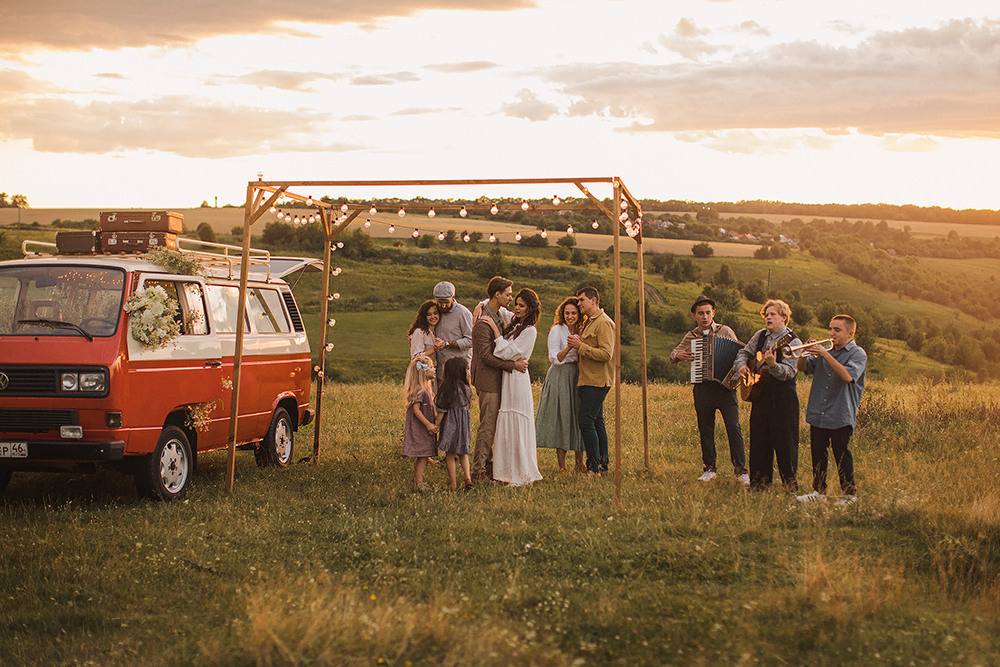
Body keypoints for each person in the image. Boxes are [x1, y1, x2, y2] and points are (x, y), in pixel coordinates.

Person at [670, 295, 748, 485]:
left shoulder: (725, 331)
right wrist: (679, 355)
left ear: (713, 313)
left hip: (725, 387)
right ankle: (709, 468)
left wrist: (736, 373)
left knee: (733, 426)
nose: (705, 317)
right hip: (702, 387)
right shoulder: (691, 336)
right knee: (706, 428)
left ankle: (741, 471)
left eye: (708, 313)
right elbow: (673, 355)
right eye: (700, 313)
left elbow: (740, 352)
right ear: (694, 316)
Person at [795, 315, 867, 507]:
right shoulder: (823, 352)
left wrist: (825, 355)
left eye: (837, 330)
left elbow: (847, 376)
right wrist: (804, 353)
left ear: (850, 333)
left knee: (841, 455)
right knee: (818, 454)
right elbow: (803, 368)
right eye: (831, 329)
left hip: (840, 413)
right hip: (818, 411)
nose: (831, 333)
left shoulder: (858, 354)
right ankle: (818, 491)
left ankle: (850, 495)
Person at [734, 299, 802, 492]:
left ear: (784, 318)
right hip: (761, 396)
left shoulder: (792, 341)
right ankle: (759, 485)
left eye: (773, 314)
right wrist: (742, 366)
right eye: (767, 315)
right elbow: (743, 352)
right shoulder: (761, 335)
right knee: (759, 440)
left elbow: (790, 372)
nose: (768, 318)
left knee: (785, 443)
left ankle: (789, 485)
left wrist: (773, 366)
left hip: (783, 397)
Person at [482, 288, 542, 486]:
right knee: (506, 420)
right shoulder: (516, 324)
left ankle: (521, 471)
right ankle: (506, 471)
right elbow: (489, 302)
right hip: (508, 378)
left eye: (522, 306)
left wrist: (496, 332)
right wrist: (479, 310)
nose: (516, 308)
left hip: (517, 380)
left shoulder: (530, 331)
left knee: (515, 421)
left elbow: (509, 352)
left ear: (530, 308)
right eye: (516, 304)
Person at [470, 276, 527, 482]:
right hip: (487, 380)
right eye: (508, 294)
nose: (510, 298)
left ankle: (488, 465)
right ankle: (478, 471)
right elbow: (485, 357)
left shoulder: (494, 314)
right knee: (487, 426)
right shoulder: (483, 322)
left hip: (494, 379)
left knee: (492, 424)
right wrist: (513, 365)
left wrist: (480, 303)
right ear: (497, 294)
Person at [568, 286, 615, 478]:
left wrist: (581, 346)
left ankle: (593, 467)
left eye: (581, 300)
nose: (578, 303)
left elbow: (606, 354)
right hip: (588, 379)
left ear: (593, 300)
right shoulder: (590, 322)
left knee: (586, 421)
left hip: (597, 381)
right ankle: (603, 466)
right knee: (597, 422)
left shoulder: (603, 323)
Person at [535, 296, 585, 473]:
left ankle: (580, 463)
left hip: (577, 374)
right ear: (562, 314)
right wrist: (570, 346)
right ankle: (562, 465)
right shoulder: (557, 330)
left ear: (579, 314)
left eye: (573, 313)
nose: (570, 316)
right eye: (567, 313)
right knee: (562, 415)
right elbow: (555, 358)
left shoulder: (582, 328)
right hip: (560, 375)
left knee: (578, 417)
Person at [435, 357, 474, 491]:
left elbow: (441, 409)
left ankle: (453, 484)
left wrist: (436, 425)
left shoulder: (446, 390)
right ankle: (468, 478)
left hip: (450, 425)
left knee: (450, 454)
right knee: (463, 453)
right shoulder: (466, 389)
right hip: (464, 425)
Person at [402, 354, 438, 491]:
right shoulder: (420, 390)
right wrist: (428, 424)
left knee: (424, 454)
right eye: (431, 367)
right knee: (422, 455)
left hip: (424, 426)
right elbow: (416, 410)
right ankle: (418, 481)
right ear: (423, 371)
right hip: (420, 427)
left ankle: (417, 480)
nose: (434, 369)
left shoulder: (426, 388)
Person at [432, 281, 473, 383]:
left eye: (446, 302)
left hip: (459, 369)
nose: (443, 306)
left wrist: (446, 344)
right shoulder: (436, 312)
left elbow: (471, 340)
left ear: (453, 297)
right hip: (441, 369)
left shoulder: (463, 313)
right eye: (440, 302)